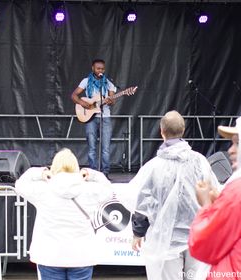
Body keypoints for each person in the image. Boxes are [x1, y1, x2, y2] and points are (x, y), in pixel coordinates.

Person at [118, 110, 219, 280]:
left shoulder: (153, 167)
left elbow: (142, 204)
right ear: (183, 130)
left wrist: (138, 233)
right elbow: (214, 195)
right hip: (199, 237)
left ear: (161, 131)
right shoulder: (200, 162)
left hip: (165, 241)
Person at [15, 148, 112, 280]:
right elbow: (108, 189)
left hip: (50, 256)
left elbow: (20, 184)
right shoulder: (90, 190)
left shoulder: (43, 189)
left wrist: (40, 172)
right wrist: (91, 174)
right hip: (81, 256)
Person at [189, 117, 241, 280]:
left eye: (237, 143)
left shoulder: (236, 190)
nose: (231, 150)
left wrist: (206, 205)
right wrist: (220, 201)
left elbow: (203, 244)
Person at [71, 59, 116, 178]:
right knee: (92, 147)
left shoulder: (108, 83)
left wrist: (111, 101)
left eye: (102, 69)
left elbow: (112, 101)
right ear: (93, 68)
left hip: (105, 117)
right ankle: (92, 173)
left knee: (105, 148)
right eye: (98, 68)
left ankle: (105, 173)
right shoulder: (86, 81)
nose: (100, 70)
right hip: (90, 117)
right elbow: (74, 95)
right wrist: (82, 102)